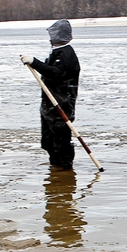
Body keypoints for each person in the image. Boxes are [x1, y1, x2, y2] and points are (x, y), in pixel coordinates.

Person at [20, 19, 80, 170]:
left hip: (61, 105)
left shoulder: (66, 54)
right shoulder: (56, 52)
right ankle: (55, 168)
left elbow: (54, 73)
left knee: (61, 141)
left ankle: (65, 172)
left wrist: (34, 62)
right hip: (49, 105)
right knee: (48, 142)